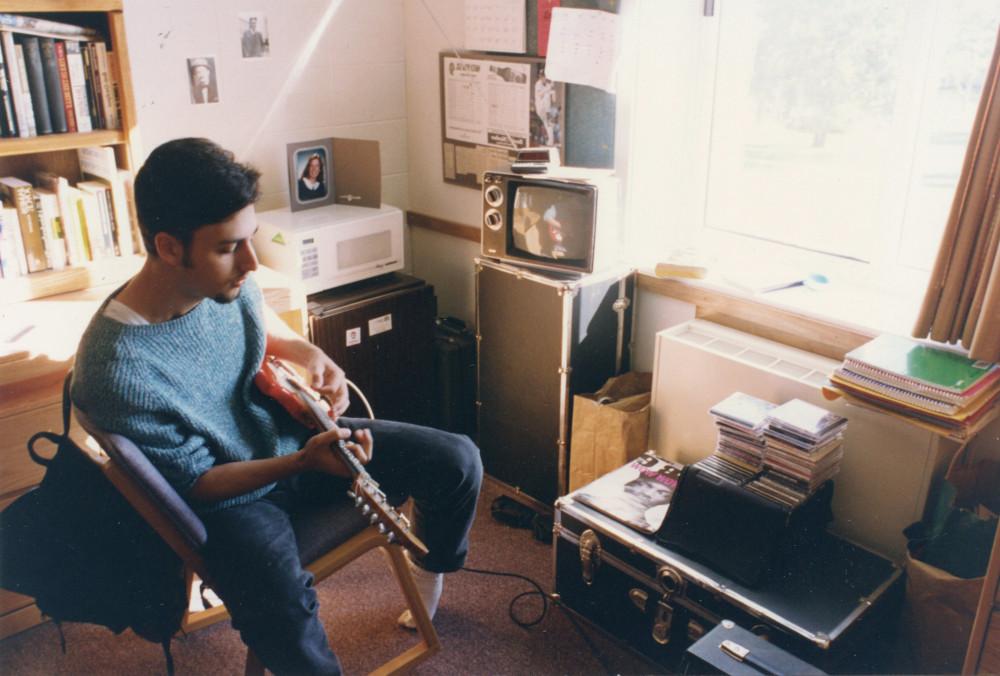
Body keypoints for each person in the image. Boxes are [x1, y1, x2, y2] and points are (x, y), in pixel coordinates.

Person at [71, 138, 483, 675]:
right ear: (170, 248)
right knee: (284, 613)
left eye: (251, 240)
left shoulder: (221, 282)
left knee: (459, 459)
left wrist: (309, 353)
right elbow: (196, 484)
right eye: (228, 248)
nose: (251, 262)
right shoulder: (117, 369)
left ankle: (428, 569)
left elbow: (254, 329)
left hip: (286, 438)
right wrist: (303, 462)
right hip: (231, 494)